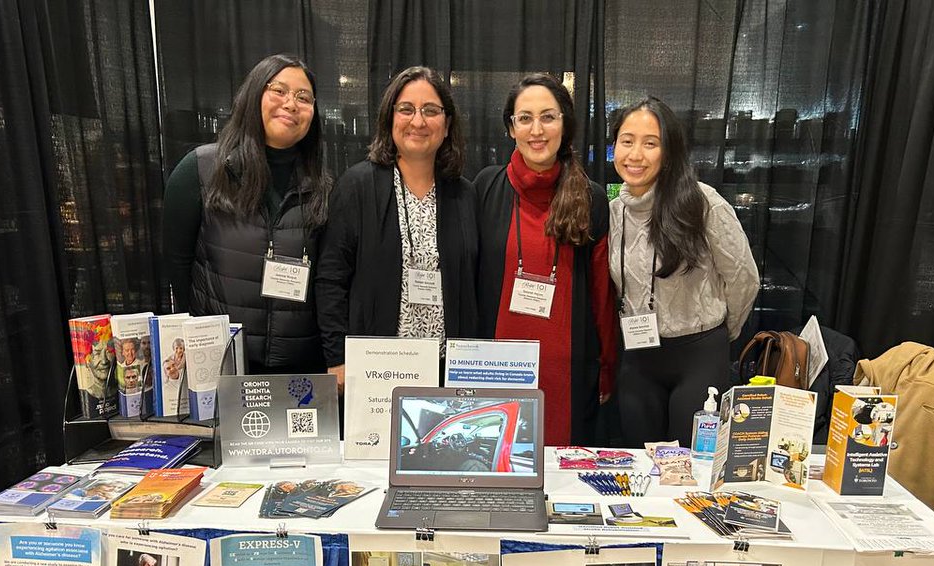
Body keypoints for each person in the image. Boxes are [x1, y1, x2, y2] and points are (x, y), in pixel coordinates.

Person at [162, 54, 331, 374]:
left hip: (299, 374)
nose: (291, 104)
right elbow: (177, 264)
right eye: (279, 90)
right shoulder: (201, 170)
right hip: (221, 366)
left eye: (303, 97)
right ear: (254, 95)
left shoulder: (323, 188)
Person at [474, 74, 617, 447]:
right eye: (525, 118)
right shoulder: (484, 190)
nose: (537, 130)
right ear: (511, 128)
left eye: (548, 117)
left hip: (567, 372)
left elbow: (601, 292)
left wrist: (607, 366)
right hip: (495, 369)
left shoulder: (591, 197)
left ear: (565, 124)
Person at [314, 66, 479, 389]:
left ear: (446, 125)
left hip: (449, 369)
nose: (418, 121)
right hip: (376, 368)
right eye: (406, 109)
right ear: (389, 119)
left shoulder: (464, 194)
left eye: (431, 111)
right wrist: (337, 359)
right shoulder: (357, 186)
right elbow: (330, 279)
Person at [608, 97, 759, 446]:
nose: (635, 155)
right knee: (639, 465)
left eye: (650, 143)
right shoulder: (613, 211)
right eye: (627, 141)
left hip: (698, 357)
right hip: (638, 358)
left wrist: (722, 333)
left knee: (690, 473)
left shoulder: (703, 204)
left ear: (669, 150)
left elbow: (743, 279)